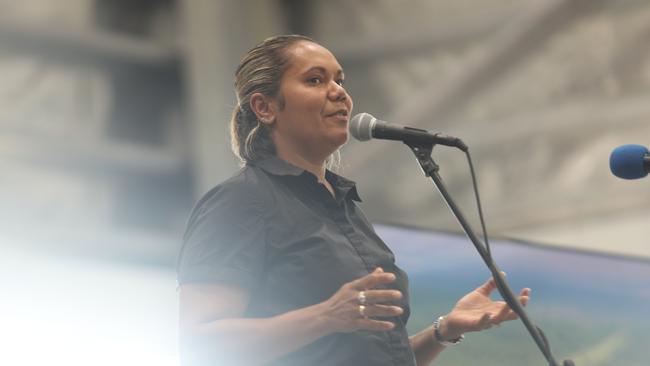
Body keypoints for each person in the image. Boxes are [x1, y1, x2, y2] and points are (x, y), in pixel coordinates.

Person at [176, 34, 531, 366]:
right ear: (264, 107)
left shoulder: (345, 207)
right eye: (315, 80)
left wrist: (445, 330)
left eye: (340, 81)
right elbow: (200, 340)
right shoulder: (240, 201)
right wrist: (325, 316)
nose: (339, 93)